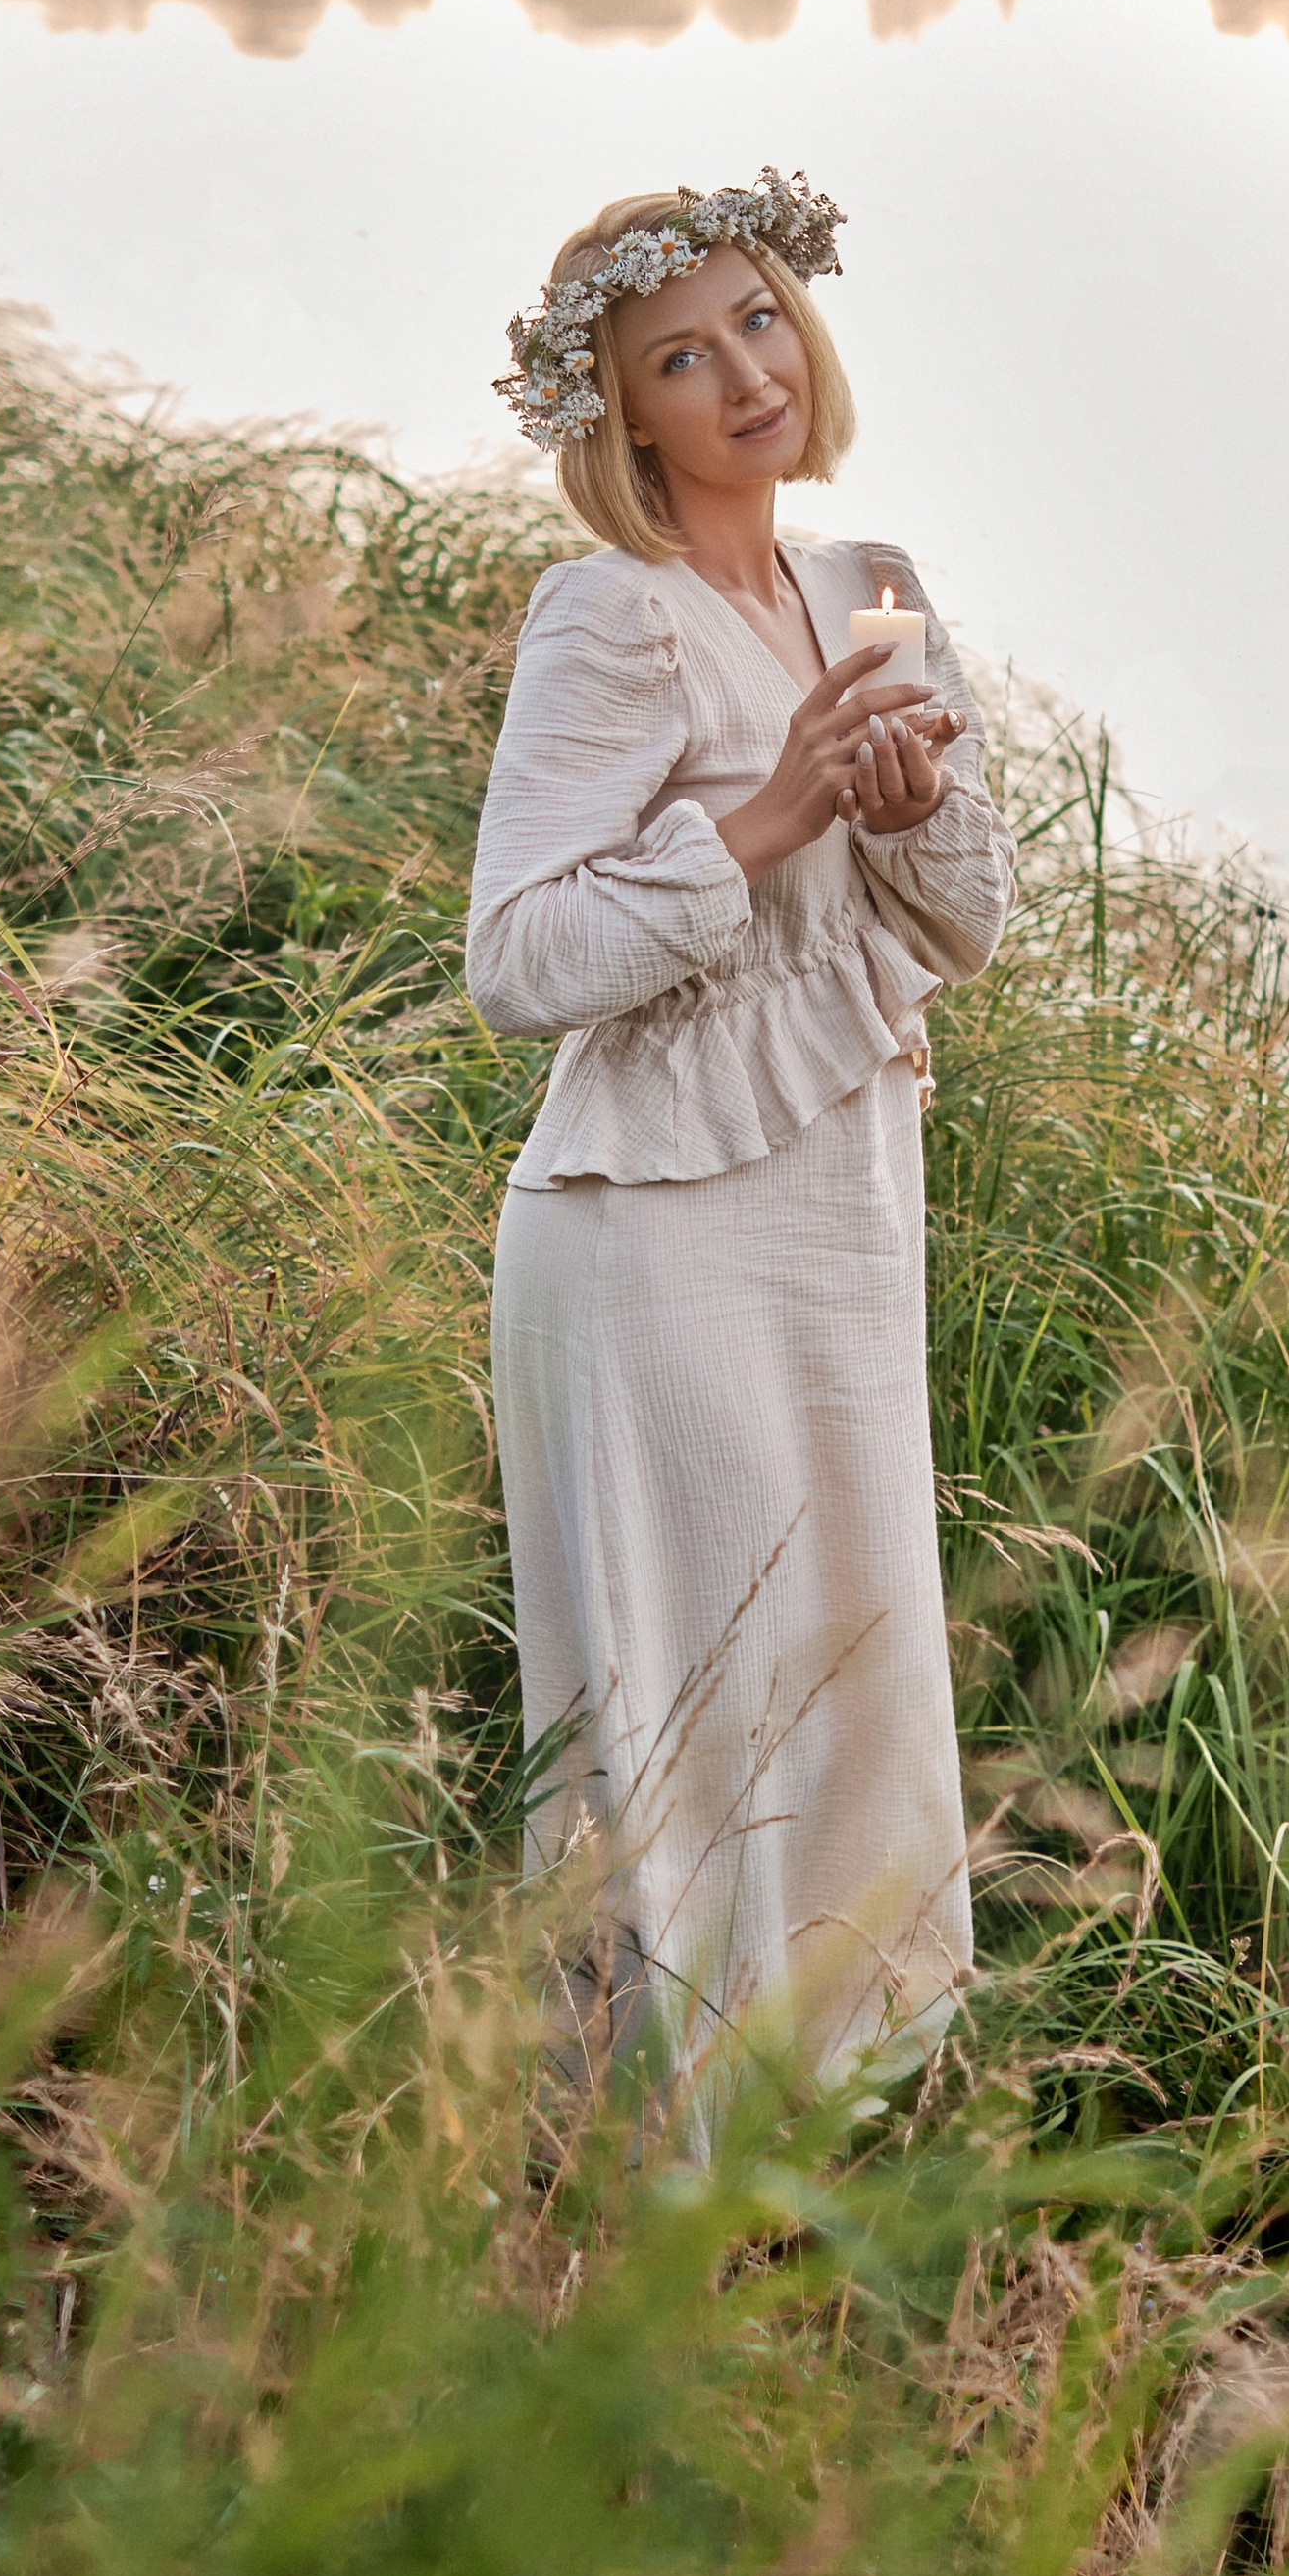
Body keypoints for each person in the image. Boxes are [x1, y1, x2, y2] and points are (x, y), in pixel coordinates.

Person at [469, 172, 1014, 2113]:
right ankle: (638, 2162)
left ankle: (829, 2120)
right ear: (621, 419)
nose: (739, 375)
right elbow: (515, 955)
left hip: (840, 1205)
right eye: (678, 358)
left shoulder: (871, 579)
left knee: (849, 1649)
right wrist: (775, 812)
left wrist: (906, 800)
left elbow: (961, 922)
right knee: (687, 1701)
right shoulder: (608, 614)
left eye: (759, 320)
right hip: (648, 1231)